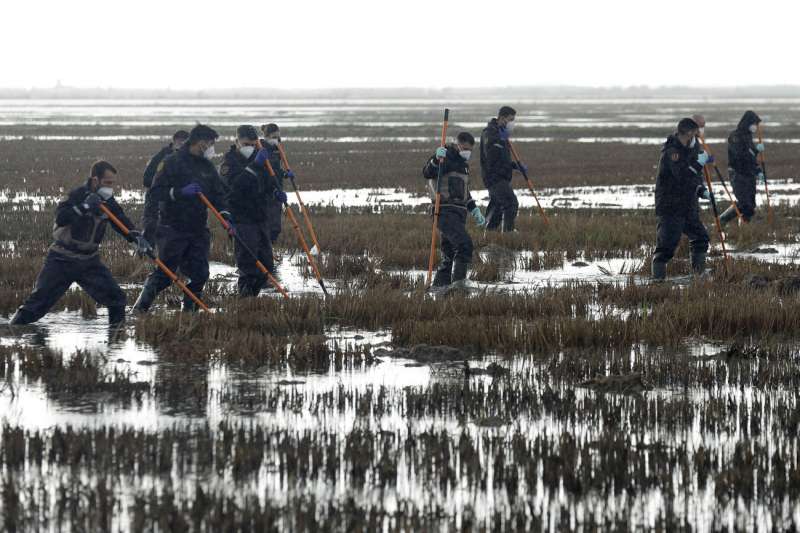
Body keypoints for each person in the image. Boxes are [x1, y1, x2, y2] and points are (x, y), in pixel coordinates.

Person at [10, 161, 151, 325]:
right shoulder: (76, 195)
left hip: (89, 262)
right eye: (107, 183)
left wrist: (137, 238)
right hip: (61, 259)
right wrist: (84, 206)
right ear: (95, 180)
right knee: (36, 306)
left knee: (117, 299)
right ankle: (12, 332)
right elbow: (61, 218)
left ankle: (116, 341)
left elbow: (121, 221)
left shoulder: (108, 201)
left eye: (113, 183)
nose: (110, 187)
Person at [132, 124, 232, 313]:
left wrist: (225, 215)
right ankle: (139, 310)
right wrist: (178, 193)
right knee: (165, 275)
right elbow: (155, 193)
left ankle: (189, 313)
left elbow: (219, 195)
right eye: (210, 143)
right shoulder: (172, 162)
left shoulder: (207, 166)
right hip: (172, 228)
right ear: (200, 142)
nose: (211, 147)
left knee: (200, 274)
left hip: (198, 228)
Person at [221, 125, 287, 296]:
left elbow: (268, 182)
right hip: (241, 218)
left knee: (267, 265)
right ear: (237, 142)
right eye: (245, 143)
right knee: (248, 263)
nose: (249, 147)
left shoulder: (261, 159)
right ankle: (244, 299)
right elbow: (236, 187)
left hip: (261, 217)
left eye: (252, 143)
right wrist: (254, 166)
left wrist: (276, 192)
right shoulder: (230, 162)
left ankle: (252, 296)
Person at [651, 118, 713, 280]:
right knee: (667, 245)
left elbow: (694, 177)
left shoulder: (691, 148)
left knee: (701, 238)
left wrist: (701, 190)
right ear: (688, 132)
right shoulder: (672, 152)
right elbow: (682, 176)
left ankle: (698, 275)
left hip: (688, 204)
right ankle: (658, 282)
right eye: (696, 132)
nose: (698, 136)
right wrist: (699, 164)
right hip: (671, 205)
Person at [423, 131, 485, 289]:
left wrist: (474, 209)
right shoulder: (445, 157)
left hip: (459, 213)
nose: (467, 152)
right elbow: (427, 172)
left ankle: (439, 287)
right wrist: (436, 159)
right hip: (444, 211)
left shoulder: (464, 166)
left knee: (449, 253)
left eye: (470, 150)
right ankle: (459, 285)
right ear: (457, 145)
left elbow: (464, 192)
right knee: (464, 245)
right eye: (465, 148)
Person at [480, 106, 527, 232]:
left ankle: (489, 234)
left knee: (497, 207)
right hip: (494, 177)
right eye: (511, 119)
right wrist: (500, 140)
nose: (512, 123)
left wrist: (515, 166)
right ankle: (508, 233)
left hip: (502, 176)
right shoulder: (489, 133)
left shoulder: (501, 133)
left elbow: (502, 159)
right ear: (502, 118)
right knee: (511, 203)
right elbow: (491, 158)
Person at [141, 130, 189, 246]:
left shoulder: (187, 158)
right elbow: (147, 179)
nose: (182, 145)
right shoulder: (162, 156)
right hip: (155, 200)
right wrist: (164, 185)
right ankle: (146, 256)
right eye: (180, 142)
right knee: (151, 228)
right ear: (174, 141)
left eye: (186, 143)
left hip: (173, 204)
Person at [719, 110, 764, 225]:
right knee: (744, 203)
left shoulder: (748, 136)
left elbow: (751, 159)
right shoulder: (735, 136)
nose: (755, 127)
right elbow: (740, 155)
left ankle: (744, 228)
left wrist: (758, 170)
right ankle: (722, 219)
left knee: (751, 206)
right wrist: (755, 150)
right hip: (738, 174)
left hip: (749, 174)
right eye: (754, 124)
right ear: (748, 122)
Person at [260, 123, 295, 245]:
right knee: (267, 223)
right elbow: (263, 171)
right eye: (274, 137)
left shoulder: (276, 149)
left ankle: (270, 247)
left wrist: (285, 174)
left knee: (275, 226)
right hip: (266, 191)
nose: (277, 140)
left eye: (278, 137)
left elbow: (276, 169)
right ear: (267, 136)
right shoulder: (261, 149)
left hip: (277, 188)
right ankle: (265, 246)